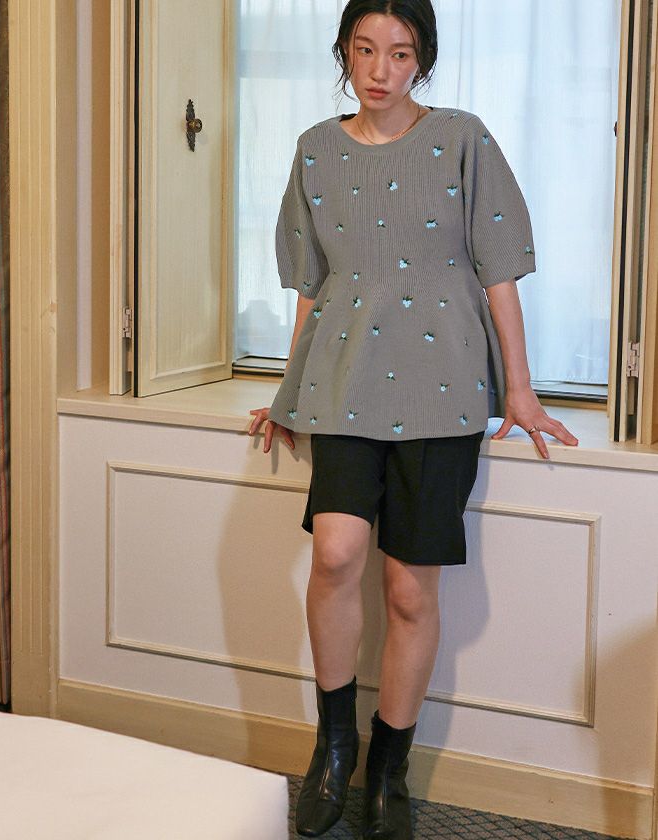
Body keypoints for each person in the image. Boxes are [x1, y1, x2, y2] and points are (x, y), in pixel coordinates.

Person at [249, 2, 579, 837]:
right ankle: (333, 749)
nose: (379, 70)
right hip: (343, 384)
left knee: (407, 590)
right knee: (336, 554)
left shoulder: (463, 139)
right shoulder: (315, 150)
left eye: (399, 54)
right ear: (344, 53)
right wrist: (290, 390)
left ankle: (388, 772)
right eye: (364, 50)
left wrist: (520, 390)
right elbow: (311, 287)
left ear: (421, 60)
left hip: (443, 391)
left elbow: (500, 272)